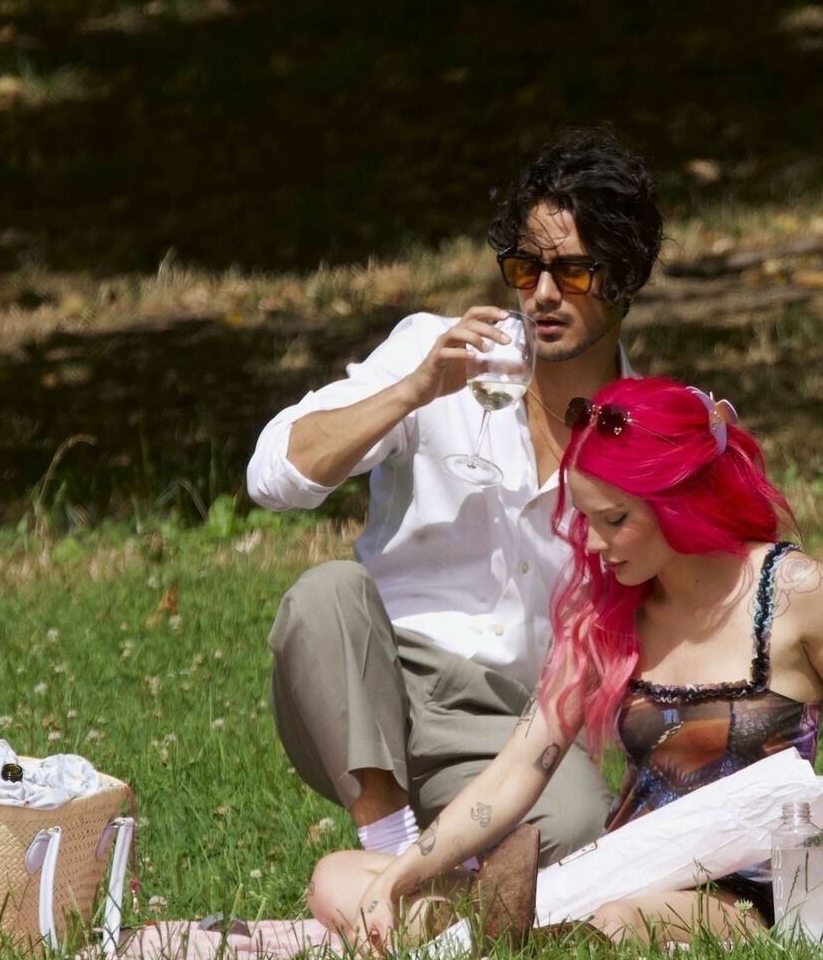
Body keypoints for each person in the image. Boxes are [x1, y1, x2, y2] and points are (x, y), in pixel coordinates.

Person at [307, 376, 823, 949]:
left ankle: (484, 939)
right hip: (618, 867)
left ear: (679, 499)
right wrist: (400, 874)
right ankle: (489, 932)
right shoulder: (605, 612)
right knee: (339, 876)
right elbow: (517, 771)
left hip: (749, 893)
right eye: (587, 520)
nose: (595, 544)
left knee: (618, 925)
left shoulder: (796, 593)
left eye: (615, 520)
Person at [245, 130, 666, 868]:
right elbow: (273, 475)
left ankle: (429, 879)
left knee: (577, 827)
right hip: (372, 682)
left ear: (625, 279)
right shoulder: (438, 352)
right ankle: (388, 845)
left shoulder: (647, 428)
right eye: (525, 268)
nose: (541, 294)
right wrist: (413, 391)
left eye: (572, 272)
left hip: (514, 721)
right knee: (326, 595)